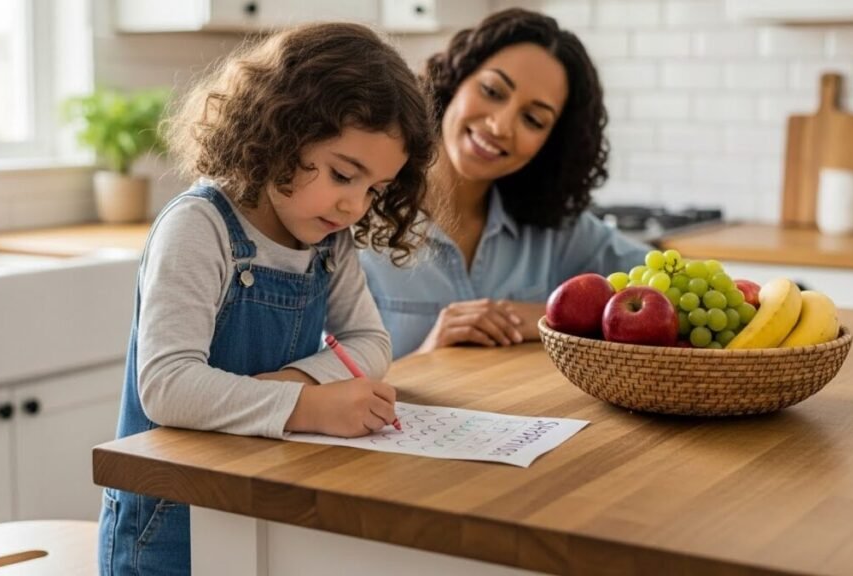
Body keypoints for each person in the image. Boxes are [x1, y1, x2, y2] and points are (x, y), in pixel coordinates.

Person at [98, 22, 434, 576]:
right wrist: (308, 406)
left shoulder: (328, 237)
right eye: (342, 174)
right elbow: (166, 387)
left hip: (261, 508)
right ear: (280, 130)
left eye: (373, 189)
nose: (353, 204)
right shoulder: (199, 227)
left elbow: (371, 342)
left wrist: (289, 387)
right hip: (168, 525)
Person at [360, 8, 651, 359]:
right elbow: (326, 382)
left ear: (550, 143)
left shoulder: (553, 228)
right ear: (455, 80)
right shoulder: (356, 210)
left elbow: (667, 290)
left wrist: (546, 314)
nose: (500, 126)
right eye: (492, 91)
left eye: (532, 119)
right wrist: (428, 355)